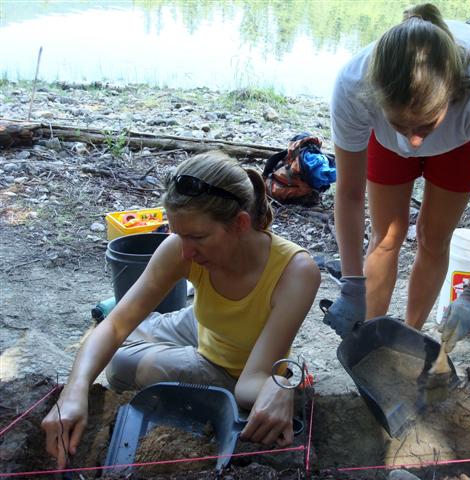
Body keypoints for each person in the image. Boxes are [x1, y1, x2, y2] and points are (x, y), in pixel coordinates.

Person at [41, 152, 320, 469]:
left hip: (237, 368)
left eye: (197, 237)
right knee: (112, 339)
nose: (185, 251)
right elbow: (116, 324)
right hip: (203, 325)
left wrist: (280, 385)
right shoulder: (182, 248)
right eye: (177, 234)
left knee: (119, 364)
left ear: (241, 223)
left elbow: (249, 384)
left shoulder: (295, 272)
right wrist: (74, 392)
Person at [323, 3, 470, 352]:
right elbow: (350, 194)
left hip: (458, 142)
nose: (414, 142)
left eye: (426, 124)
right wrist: (352, 284)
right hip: (383, 143)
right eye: (402, 124)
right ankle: (372, 340)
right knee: (387, 235)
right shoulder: (354, 83)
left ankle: (407, 336)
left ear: (454, 93)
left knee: (433, 237)